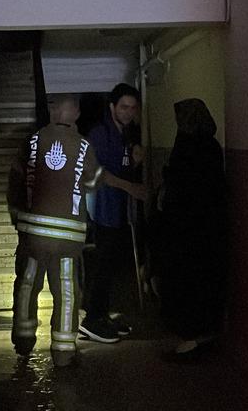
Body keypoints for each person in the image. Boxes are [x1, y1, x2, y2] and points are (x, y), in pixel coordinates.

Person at [7, 94, 142, 367]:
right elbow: (92, 182)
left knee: (26, 286)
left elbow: (15, 184)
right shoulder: (83, 146)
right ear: (77, 114)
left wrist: (19, 220)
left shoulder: (31, 142)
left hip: (33, 236)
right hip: (68, 238)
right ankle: (64, 352)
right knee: (67, 291)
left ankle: (23, 341)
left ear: (52, 112)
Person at [151, 98, 228, 359]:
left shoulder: (186, 147)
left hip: (184, 231)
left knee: (184, 285)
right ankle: (203, 337)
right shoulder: (212, 147)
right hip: (208, 231)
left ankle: (190, 341)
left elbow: (179, 186)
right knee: (204, 284)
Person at [80, 83, 145, 343]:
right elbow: (102, 174)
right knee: (103, 265)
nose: (129, 112)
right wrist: (131, 187)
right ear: (112, 107)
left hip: (119, 210)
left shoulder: (125, 134)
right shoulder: (100, 134)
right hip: (103, 208)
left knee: (113, 264)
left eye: (132, 107)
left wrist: (135, 157)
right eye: (124, 107)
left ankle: (102, 315)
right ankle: (91, 320)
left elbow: (123, 165)